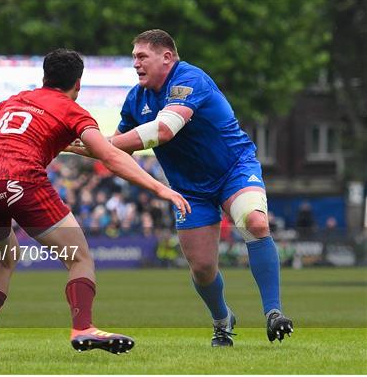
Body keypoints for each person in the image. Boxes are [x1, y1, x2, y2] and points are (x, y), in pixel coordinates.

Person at [0, 48, 190, 359]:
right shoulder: (74, 112)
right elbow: (111, 156)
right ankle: (83, 327)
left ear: (44, 78)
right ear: (78, 84)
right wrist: (159, 188)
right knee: (79, 257)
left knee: (4, 259)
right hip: (22, 180)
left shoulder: (17, 99)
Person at [68, 29, 293, 346]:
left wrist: (102, 145)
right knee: (202, 268)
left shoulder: (190, 78)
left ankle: (273, 313)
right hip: (188, 188)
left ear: (167, 57)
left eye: (142, 56)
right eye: (134, 57)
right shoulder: (136, 98)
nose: (136, 64)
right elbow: (118, 149)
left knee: (255, 223)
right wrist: (87, 145)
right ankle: (222, 320)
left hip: (234, 169)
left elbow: (163, 130)